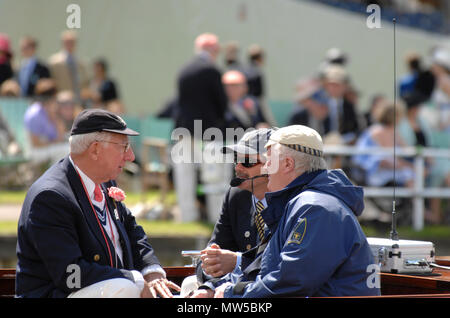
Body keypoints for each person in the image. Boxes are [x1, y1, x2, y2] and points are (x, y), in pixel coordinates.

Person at [191, 125, 379, 298]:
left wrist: (232, 294)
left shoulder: (315, 209)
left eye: (269, 162)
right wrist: (214, 289)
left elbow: (291, 282)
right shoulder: (303, 204)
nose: (265, 169)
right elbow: (267, 269)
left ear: (288, 164)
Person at [16, 109, 180, 298]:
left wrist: (151, 272)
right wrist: (134, 280)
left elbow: (133, 230)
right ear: (95, 149)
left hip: (111, 289)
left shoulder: (104, 181)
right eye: (124, 146)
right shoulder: (50, 197)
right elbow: (70, 276)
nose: (131, 157)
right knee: (124, 289)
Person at [180, 128, 273, 297]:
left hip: (266, 288)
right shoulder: (236, 196)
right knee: (190, 284)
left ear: (272, 165)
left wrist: (236, 262)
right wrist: (211, 268)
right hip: (236, 283)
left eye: (247, 162)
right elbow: (211, 255)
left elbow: (276, 266)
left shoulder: (293, 201)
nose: (238, 167)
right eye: (236, 159)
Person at [172, 32, 229, 222]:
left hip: (184, 129)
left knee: (185, 175)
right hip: (208, 131)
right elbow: (221, 102)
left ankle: (187, 215)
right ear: (213, 50)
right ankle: (216, 216)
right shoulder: (211, 71)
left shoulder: (183, 70)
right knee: (213, 176)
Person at [23, 78, 69, 164]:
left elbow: (60, 136)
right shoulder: (34, 114)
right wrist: (55, 143)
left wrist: (54, 116)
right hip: (35, 151)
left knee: (69, 148)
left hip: (50, 147)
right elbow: (36, 143)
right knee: (65, 150)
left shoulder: (52, 110)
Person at [48, 30, 89, 103]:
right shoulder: (54, 62)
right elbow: (51, 82)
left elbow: (85, 83)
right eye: (67, 42)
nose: (70, 44)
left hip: (78, 101)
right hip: (61, 101)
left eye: (72, 42)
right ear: (63, 43)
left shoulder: (81, 64)